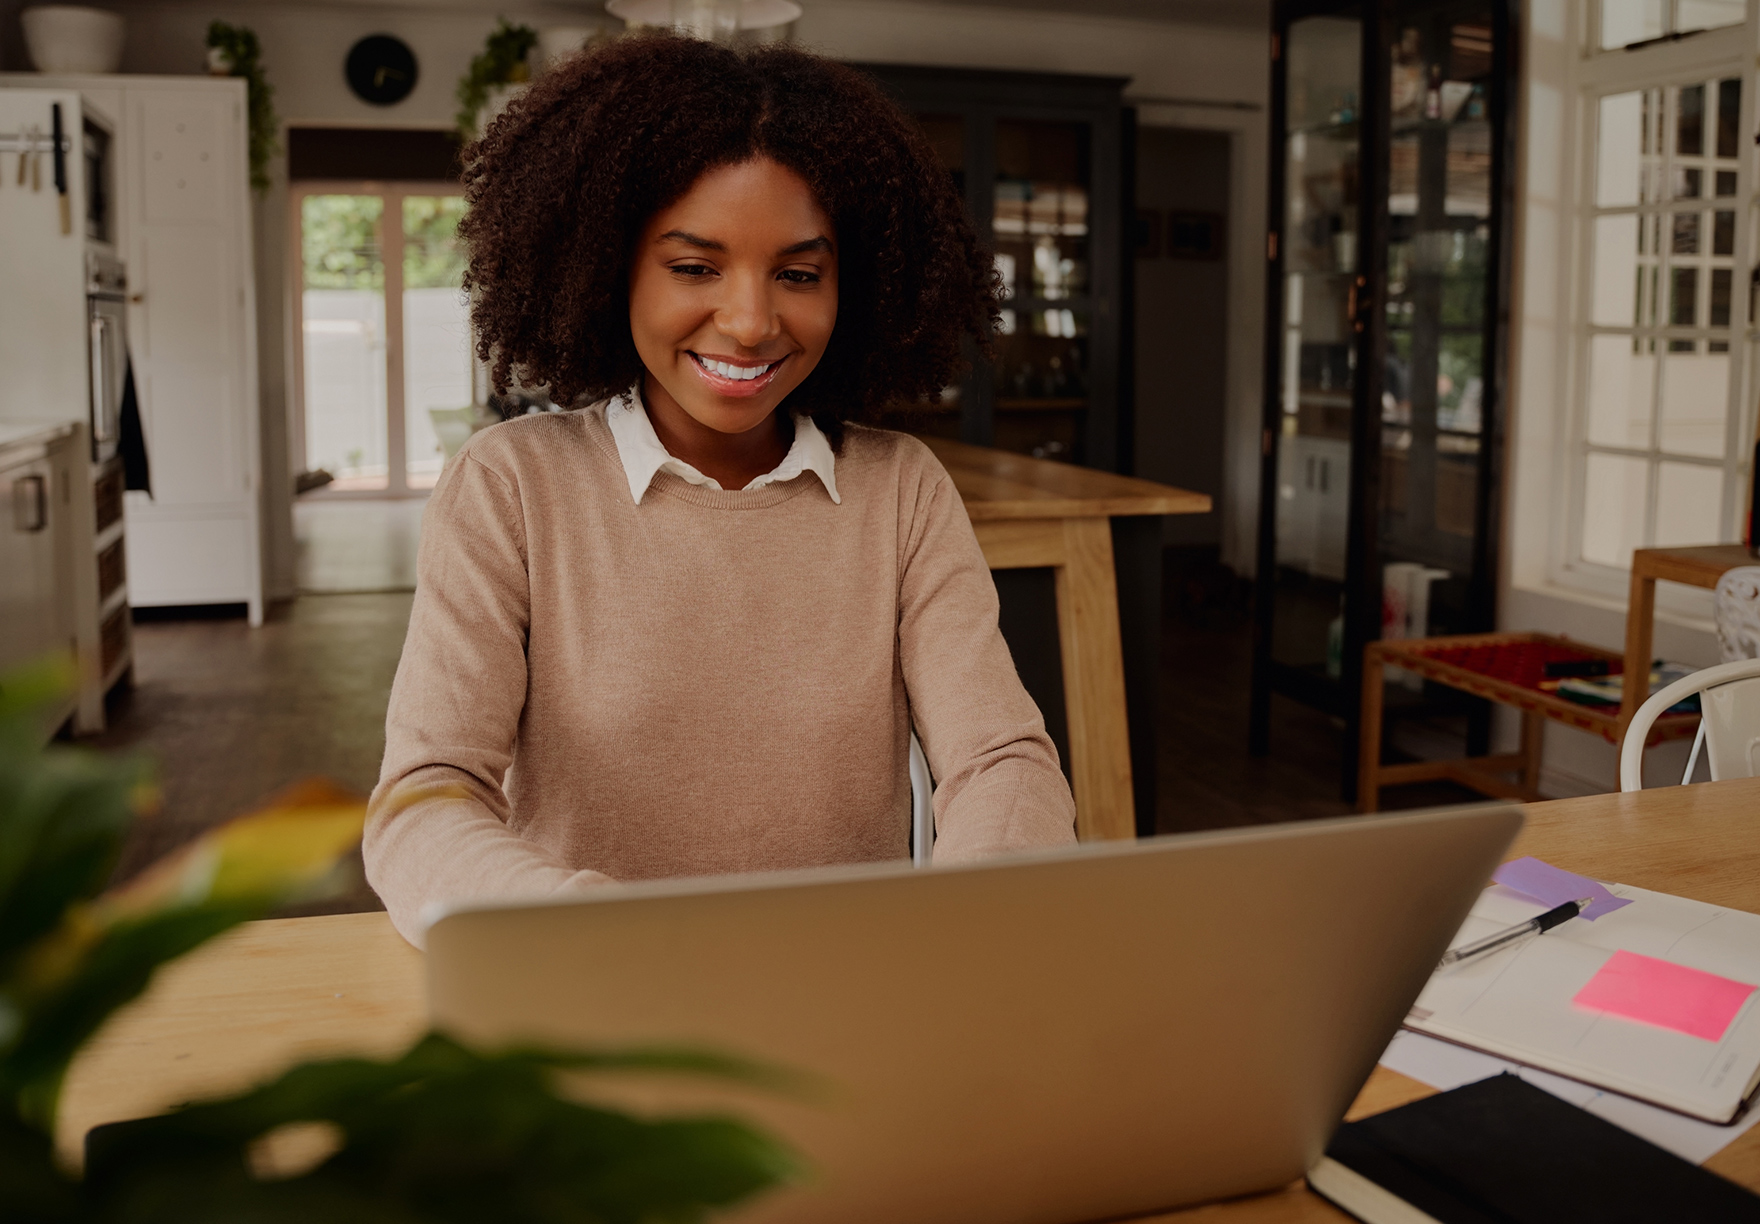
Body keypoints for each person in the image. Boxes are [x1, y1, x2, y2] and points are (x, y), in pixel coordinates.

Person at [364, 32, 1077, 945]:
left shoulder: (901, 492)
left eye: (799, 274)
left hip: (847, 1004)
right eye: (694, 267)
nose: (749, 322)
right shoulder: (511, 488)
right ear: (607, 266)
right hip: (591, 1004)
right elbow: (425, 798)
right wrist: (593, 931)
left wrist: (963, 918)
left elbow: (1002, 759)